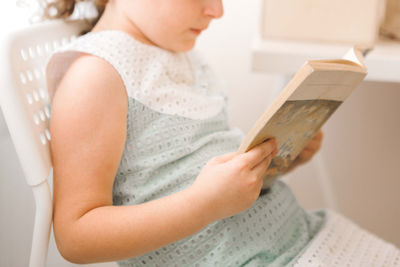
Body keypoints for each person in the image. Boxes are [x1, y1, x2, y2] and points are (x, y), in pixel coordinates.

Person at [43, 0, 400, 266]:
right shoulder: (94, 76)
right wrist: (204, 204)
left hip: (297, 239)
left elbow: (190, 168)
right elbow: (76, 236)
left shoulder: (177, 51)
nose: (218, 11)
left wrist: (276, 160)